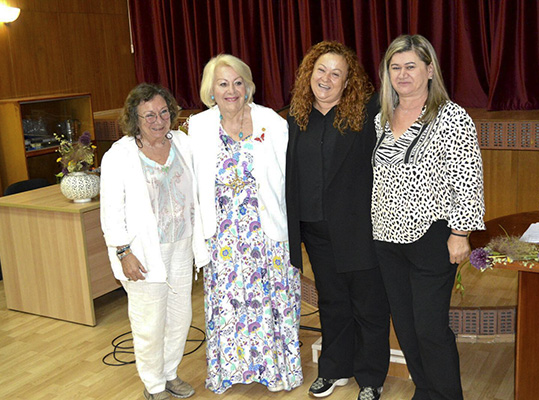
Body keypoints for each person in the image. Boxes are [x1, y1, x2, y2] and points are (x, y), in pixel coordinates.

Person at [372, 34, 486, 400]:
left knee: (430, 328)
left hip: (432, 238)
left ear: (430, 70)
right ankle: (425, 390)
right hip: (386, 239)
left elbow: (468, 179)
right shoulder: (381, 118)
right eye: (395, 67)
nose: (402, 74)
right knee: (406, 326)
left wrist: (460, 233)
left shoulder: (451, 117)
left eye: (411, 66)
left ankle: (446, 395)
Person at [187, 54, 303, 394]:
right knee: (229, 304)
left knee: (272, 301)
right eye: (223, 84)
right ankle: (230, 371)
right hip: (222, 236)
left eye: (238, 82)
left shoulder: (272, 122)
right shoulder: (198, 127)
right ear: (211, 90)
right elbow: (193, 185)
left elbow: (289, 178)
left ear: (248, 86)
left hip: (266, 231)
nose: (231, 90)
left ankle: (277, 371)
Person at [286, 41, 391, 400]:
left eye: (336, 74)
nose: (326, 79)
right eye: (321, 70)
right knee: (332, 303)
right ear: (309, 73)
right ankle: (335, 369)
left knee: (369, 306)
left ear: (348, 82)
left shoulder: (366, 115)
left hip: (359, 230)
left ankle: (371, 376)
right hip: (316, 232)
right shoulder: (295, 117)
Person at [100, 83, 209, 400]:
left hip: (182, 246)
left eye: (163, 112)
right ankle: (154, 385)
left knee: (179, 317)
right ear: (134, 118)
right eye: (149, 115)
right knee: (149, 323)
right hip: (144, 253)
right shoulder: (119, 155)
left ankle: (170, 373)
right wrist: (123, 252)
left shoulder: (183, 144)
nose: (158, 120)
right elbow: (111, 211)